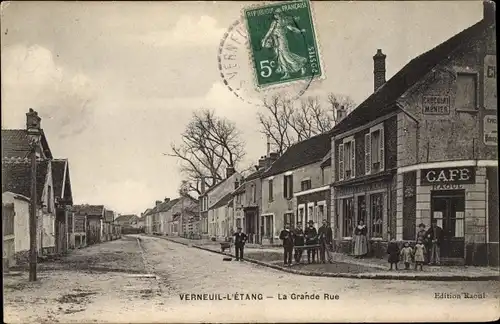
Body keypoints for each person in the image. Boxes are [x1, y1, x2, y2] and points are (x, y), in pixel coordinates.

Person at [260, 10, 307, 80]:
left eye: (277, 14)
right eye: (275, 15)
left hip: (282, 40)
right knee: (280, 57)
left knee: (286, 55)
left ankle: (301, 66)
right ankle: (286, 73)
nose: (275, 16)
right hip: (276, 41)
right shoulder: (275, 22)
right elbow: (270, 32)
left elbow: (292, 28)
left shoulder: (283, 21)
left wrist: (300, 31)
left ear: (280, 14)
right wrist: (265, 39)